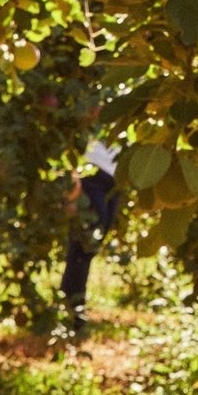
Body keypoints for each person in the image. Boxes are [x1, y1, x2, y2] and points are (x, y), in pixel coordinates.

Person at [61, 135, 120, 336]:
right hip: (92, 173)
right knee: (84, 245)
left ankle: (72, 309)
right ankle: (73, 312)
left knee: (91, 246)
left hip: (115, 178)